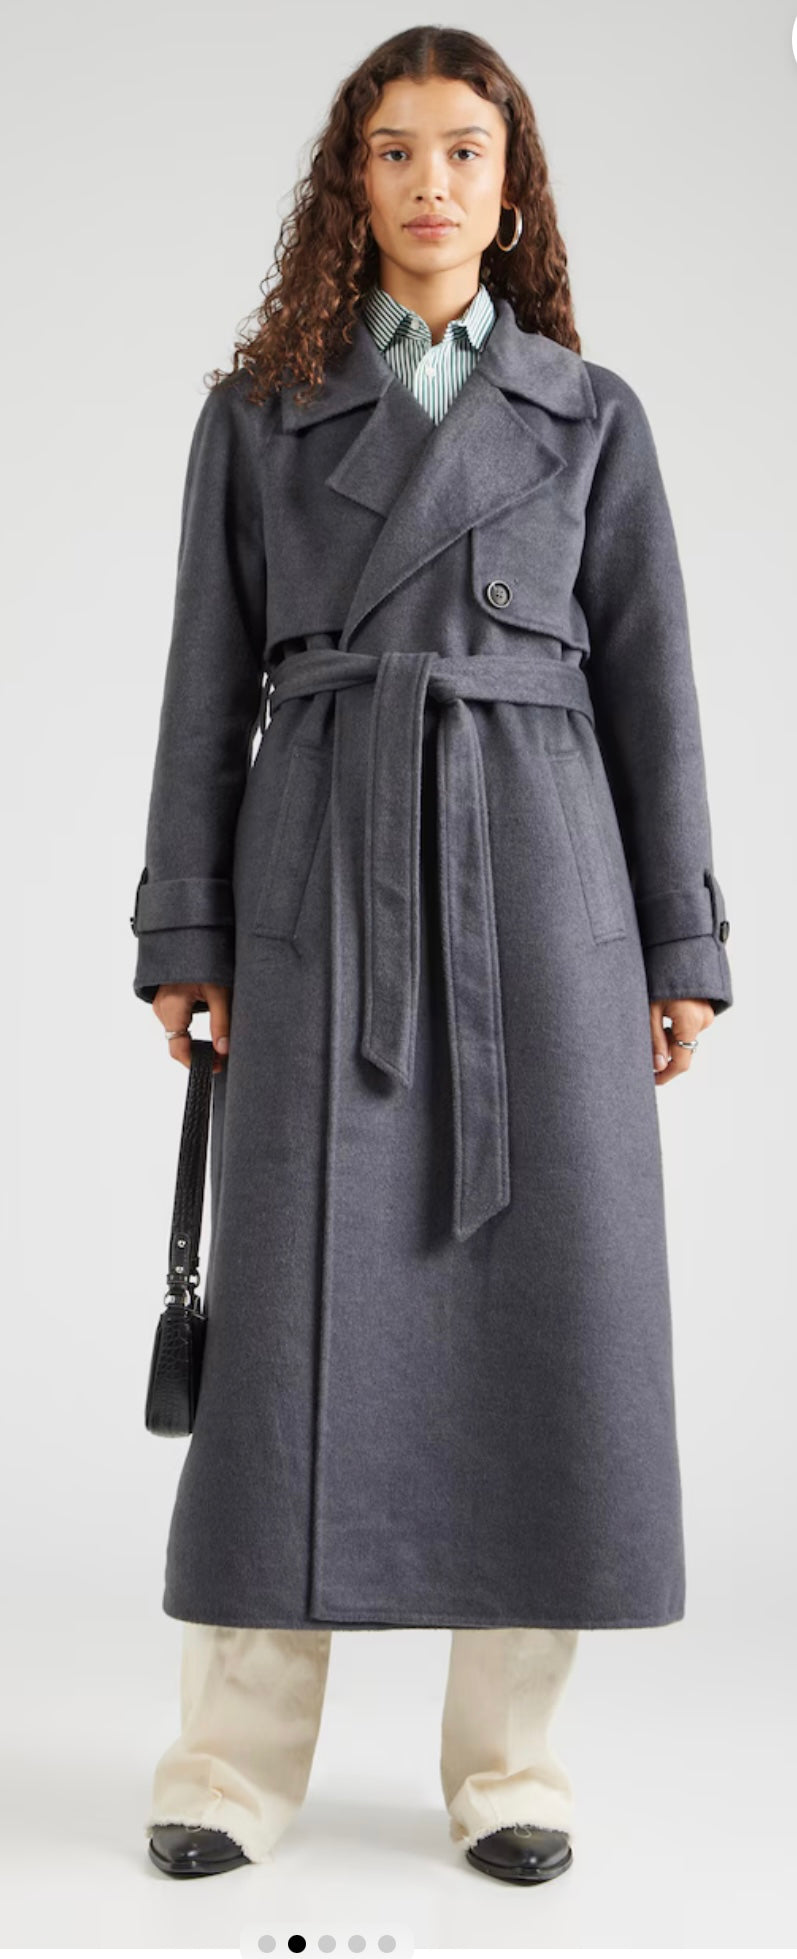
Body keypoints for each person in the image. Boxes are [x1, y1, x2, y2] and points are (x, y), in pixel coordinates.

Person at [131, 26, 733, 1886]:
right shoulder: (260, 414)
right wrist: (186, 925)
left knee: (547, 1305)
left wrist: (678, 941)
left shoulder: (589, 413)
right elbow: (201, 687)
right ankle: (230, 1767)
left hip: (544, 892)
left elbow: (653, 694)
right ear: (352, 183)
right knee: (289, 1311)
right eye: (393, 152)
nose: (429, 184)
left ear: (511, 184)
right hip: (321, 880)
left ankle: (510, 1770)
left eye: (463, 150)